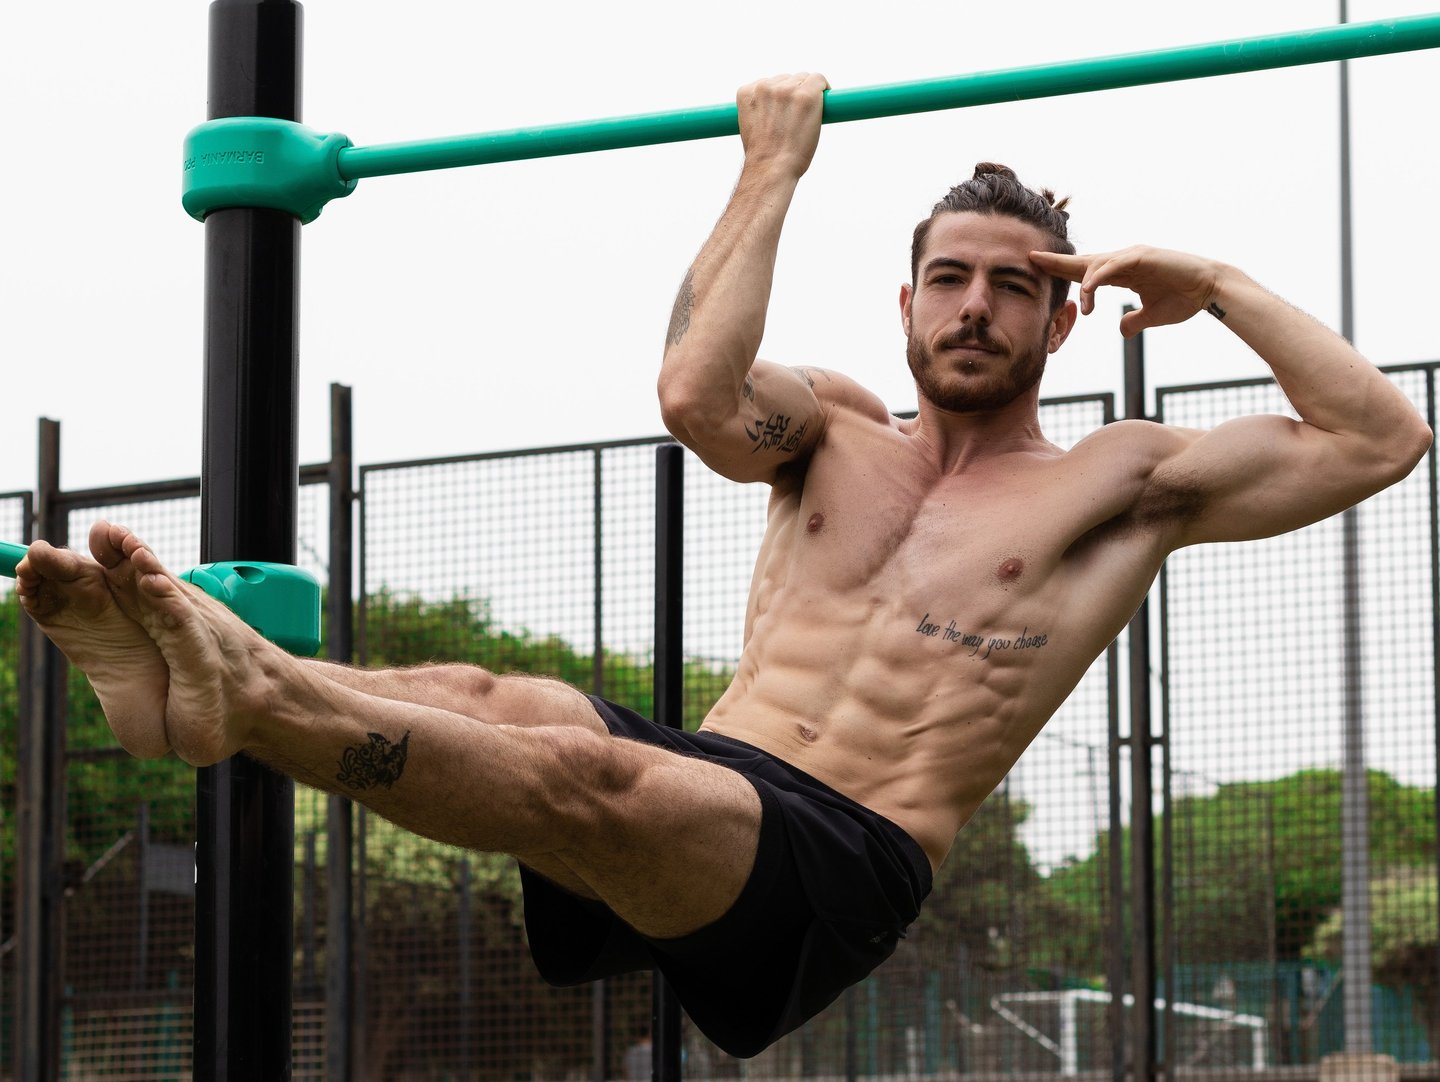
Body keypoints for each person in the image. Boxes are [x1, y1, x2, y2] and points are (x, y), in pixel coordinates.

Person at [16, 73, 1431, 1059]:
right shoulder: (835, 429)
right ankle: (206, 687)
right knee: (511, 703)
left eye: (1018, 286)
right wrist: (770, 169)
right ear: (907, 302)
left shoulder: (1119, 482)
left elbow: (1382, 438)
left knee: (586, 774)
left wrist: (1215, 281)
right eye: (952, 278)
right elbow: (695, 394)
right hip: (717, 778)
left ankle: (239, 691)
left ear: (1062, 323)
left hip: (842, 859)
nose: (978, 307)